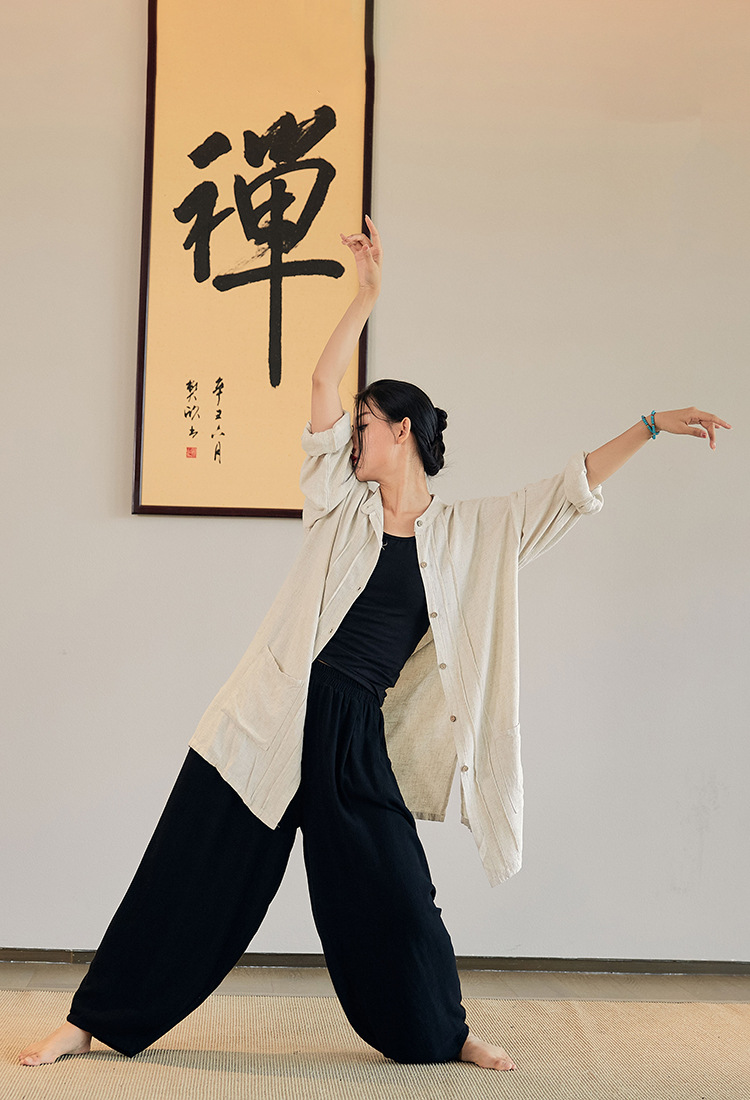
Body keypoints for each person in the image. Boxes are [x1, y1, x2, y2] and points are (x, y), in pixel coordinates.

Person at [20, 218, 730, 1072]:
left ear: (402, 433)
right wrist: (365, 296)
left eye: (365, 424)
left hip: (355, 733)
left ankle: (445, 1031)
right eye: (354, 424)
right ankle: (89, 1021)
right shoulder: (339, 505)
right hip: (275, 713)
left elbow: (567, 491)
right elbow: (322, 380)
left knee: (398, 888)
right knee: (186, 868)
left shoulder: (468, 535)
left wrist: (649, 425)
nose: (352, 435)